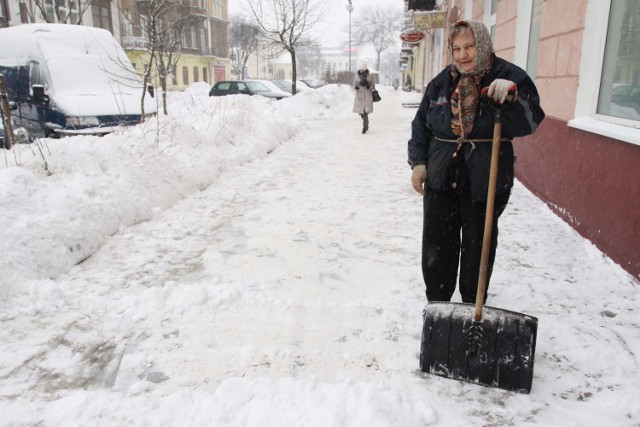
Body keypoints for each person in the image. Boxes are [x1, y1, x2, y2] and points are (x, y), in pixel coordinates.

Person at [407, 20, 545, 303]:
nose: (463, 55)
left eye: (469, 46)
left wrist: (513, 99)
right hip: (441, 177)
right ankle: (438, 302)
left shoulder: (508, 75)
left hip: (485, 178)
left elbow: (529, 121)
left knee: (477, 246)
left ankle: (473, 301)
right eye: (456, 48)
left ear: (482, 45)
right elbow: (421, 125)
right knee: (438, 245)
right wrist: (419, 162)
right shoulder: (441, 82)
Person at [353, 60, 375, 134]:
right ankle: (366, 122)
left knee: (365, 112)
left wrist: (368, 86)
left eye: (363, 69)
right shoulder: (356, 76)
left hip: (367, 96)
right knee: (362, 113)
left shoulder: (370, 76)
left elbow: (373, 86)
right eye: (361, 69)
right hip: (359, 97)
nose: (362, 71)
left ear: (365, 69)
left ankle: (364, 127)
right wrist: (356, 87)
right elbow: (354, 85)